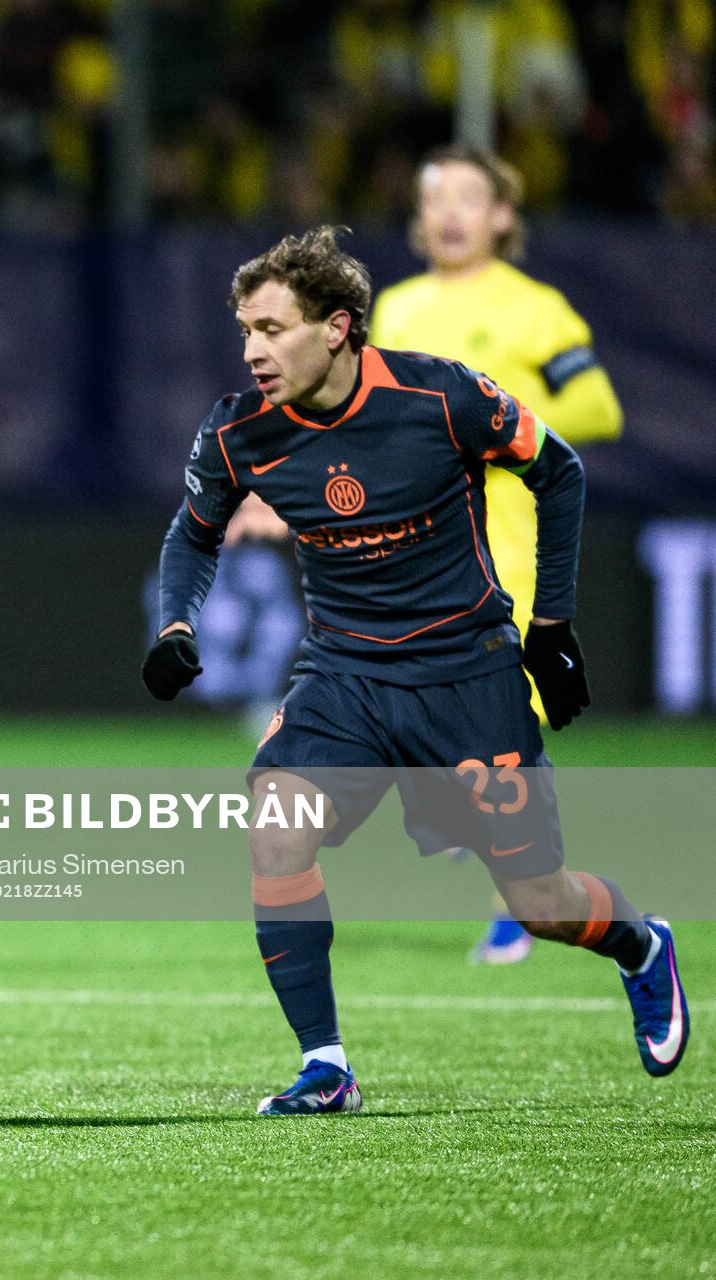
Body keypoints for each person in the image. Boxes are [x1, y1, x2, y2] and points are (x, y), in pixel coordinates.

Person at [140, 226, 687, 1115]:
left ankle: (638, 943)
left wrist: (551, 625)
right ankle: (327, 1066)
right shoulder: (241, 429)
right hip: (344, 675)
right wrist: (173, 622)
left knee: (539, 900)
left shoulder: (440, 397)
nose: (253, 350)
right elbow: (192, 531)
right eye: (245, 329)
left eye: (272, 329)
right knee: (276, 828)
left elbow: (561, 470)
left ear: (338, 328)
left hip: (464, 675)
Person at [373, 144, 624, 964]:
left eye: (467, 197)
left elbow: (596, 406)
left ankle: (515, 905)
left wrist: (500, 427)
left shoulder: (534, 309)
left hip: (505, 553)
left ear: (503, 215)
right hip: (412, 553)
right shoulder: (397, 310)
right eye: (433, 195)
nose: (448, 212)